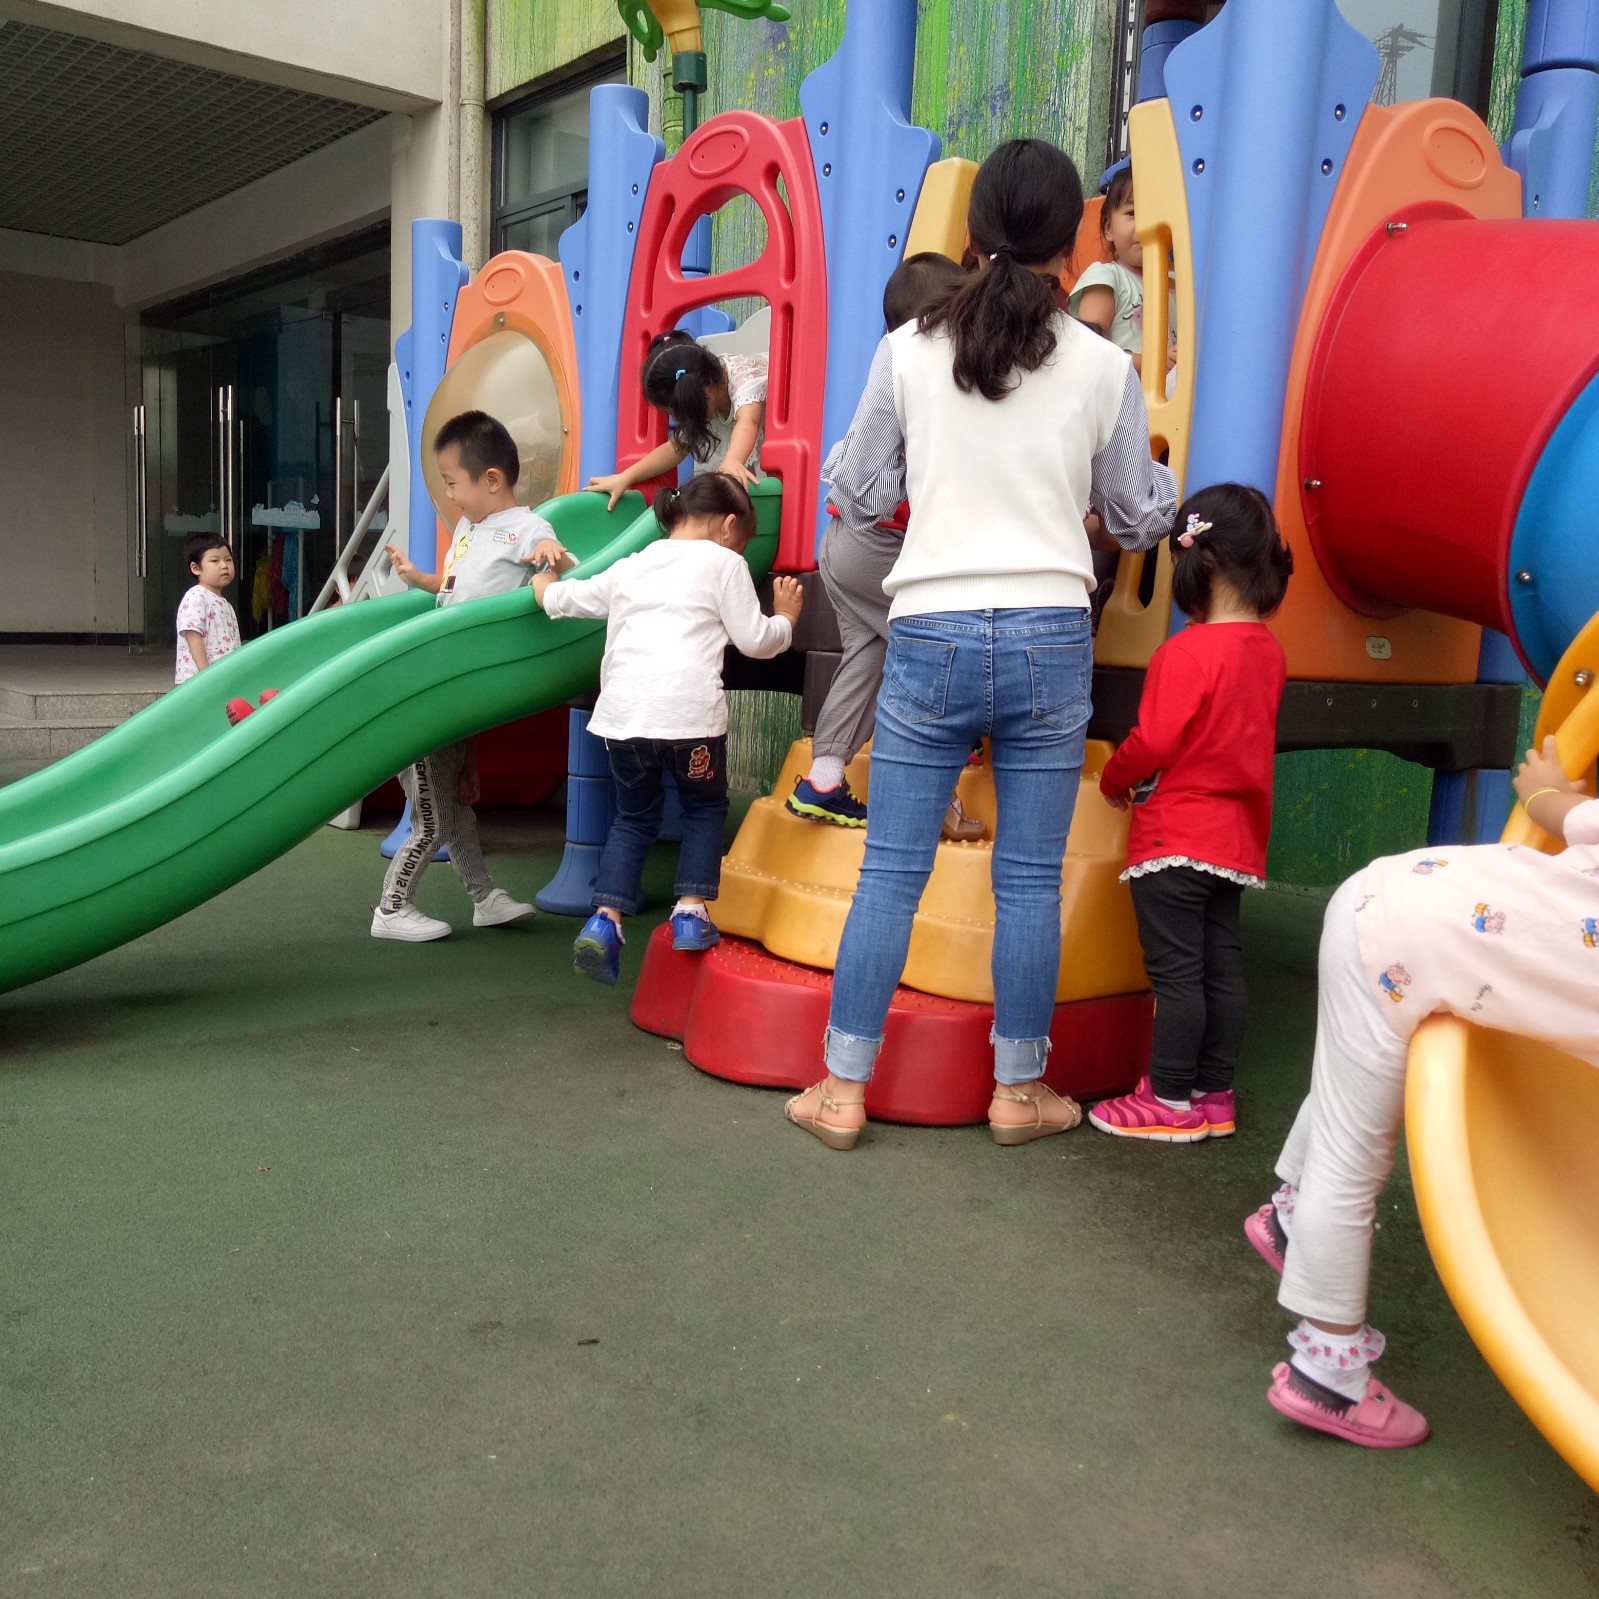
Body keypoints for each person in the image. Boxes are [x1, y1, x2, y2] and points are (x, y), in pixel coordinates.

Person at [781, 138, 1176, 1153]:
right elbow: (1138, 518)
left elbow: (857, 491)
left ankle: (841, 1087)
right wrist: (1166, 494)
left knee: (890, 873)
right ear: (1074, 243)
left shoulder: (908, 349)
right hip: (1050, 630)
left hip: (931, 626)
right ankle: (1018, 1090)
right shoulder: (1105, 365)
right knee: (1029, 881)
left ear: (972, 233)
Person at [1244, 737, 1599, 1449]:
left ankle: (1289, 1216)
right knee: (1352, 1158)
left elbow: (1563, 811)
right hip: (1395, 949)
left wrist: (1545, 788)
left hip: (1391, 902)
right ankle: (1326, 1372)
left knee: (1344, 1101)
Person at [532, 474, 802, 984]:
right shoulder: (725, 564)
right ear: (728, 526)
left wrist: (543, 588)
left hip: (624, 720)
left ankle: (605, 919)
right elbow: (755, 641)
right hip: (691, 720)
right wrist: (785, 619)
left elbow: (570, 600)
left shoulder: (633, 564)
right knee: (704, 808)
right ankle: (691, 912)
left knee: (633, 817)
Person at [1090, 484, 1293, 1141]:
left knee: (1176, 976)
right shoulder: (1267, 653)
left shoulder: (1184, 652)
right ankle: (1213, 1093)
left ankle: (1169, 1099)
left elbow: (1153, 741)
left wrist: (1113, 778)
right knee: (1221, 970)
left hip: (1175, 839)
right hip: (1236, 843)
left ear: (1198, 562)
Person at [786, 250, 983, 841]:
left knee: (868, 657)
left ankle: (823, 779)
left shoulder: (898, 375)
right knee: (933, 653)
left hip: (841, 545)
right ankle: (942, 792)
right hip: (878, 545)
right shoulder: (933, 378)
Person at [370, 410, 543, 942]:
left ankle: (483, 898)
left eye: (451, 483)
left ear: (490, 479)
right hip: (426, 693)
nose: (448, 496)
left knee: (457, 809)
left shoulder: (527, 529)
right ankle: (391, 908)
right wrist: (422, 579)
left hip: (455, 691)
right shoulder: (468, 527)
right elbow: (453, 592)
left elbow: (553, 564)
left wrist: (470, 761)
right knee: (433, 820)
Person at [585, 330, 766, 509]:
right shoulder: (704, 386)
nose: (676, 418)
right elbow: (676, 448)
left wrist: (732, 460)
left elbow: (748, 422)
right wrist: (626, 477)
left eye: (679, 412)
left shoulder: (744, 381)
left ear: (706, 393)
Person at [1067, 165, 1177, 381]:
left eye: (1159, 214)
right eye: (1132, 213)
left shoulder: (1182, 286)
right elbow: (1091, 350)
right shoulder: (1106, 278)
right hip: (1121, 395)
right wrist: (1153, 362)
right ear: (1108, 228)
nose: (1146, 225)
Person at [175, 533, 241, 683]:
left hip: (222, 679)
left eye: (228, 559)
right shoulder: (196, 597)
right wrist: (205, 675)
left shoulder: (226, 604)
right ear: (196, 568)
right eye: (214, 561)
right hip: (198, 681)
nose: (224, 565)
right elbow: (193, 636)